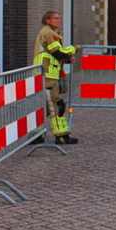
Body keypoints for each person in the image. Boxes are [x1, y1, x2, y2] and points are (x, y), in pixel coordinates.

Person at [33, 11, 80, 145]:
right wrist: (74, 49)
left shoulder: (51, 33)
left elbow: (52, 55)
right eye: (55, 18)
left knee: (46, 108)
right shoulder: (49, 34)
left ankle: (35, 134)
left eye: (59, 18)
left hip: (47, 75)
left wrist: (66, 60)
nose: (59, 20)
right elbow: (57, 53)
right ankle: (61, 136)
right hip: (47, 76)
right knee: (57, 106)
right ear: (47, 20)